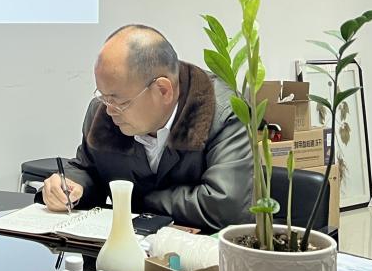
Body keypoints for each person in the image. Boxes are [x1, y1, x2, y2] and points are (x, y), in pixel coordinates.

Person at [40, 24, 252, 231]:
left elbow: (225, 205)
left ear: (163, 90)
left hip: (196, 250)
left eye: (120, 101)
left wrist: (139, 199)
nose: (109, 110)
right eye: (103, 96)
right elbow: (88, 169)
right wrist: (70, 185)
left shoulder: (223, 112)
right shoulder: (102, 112)